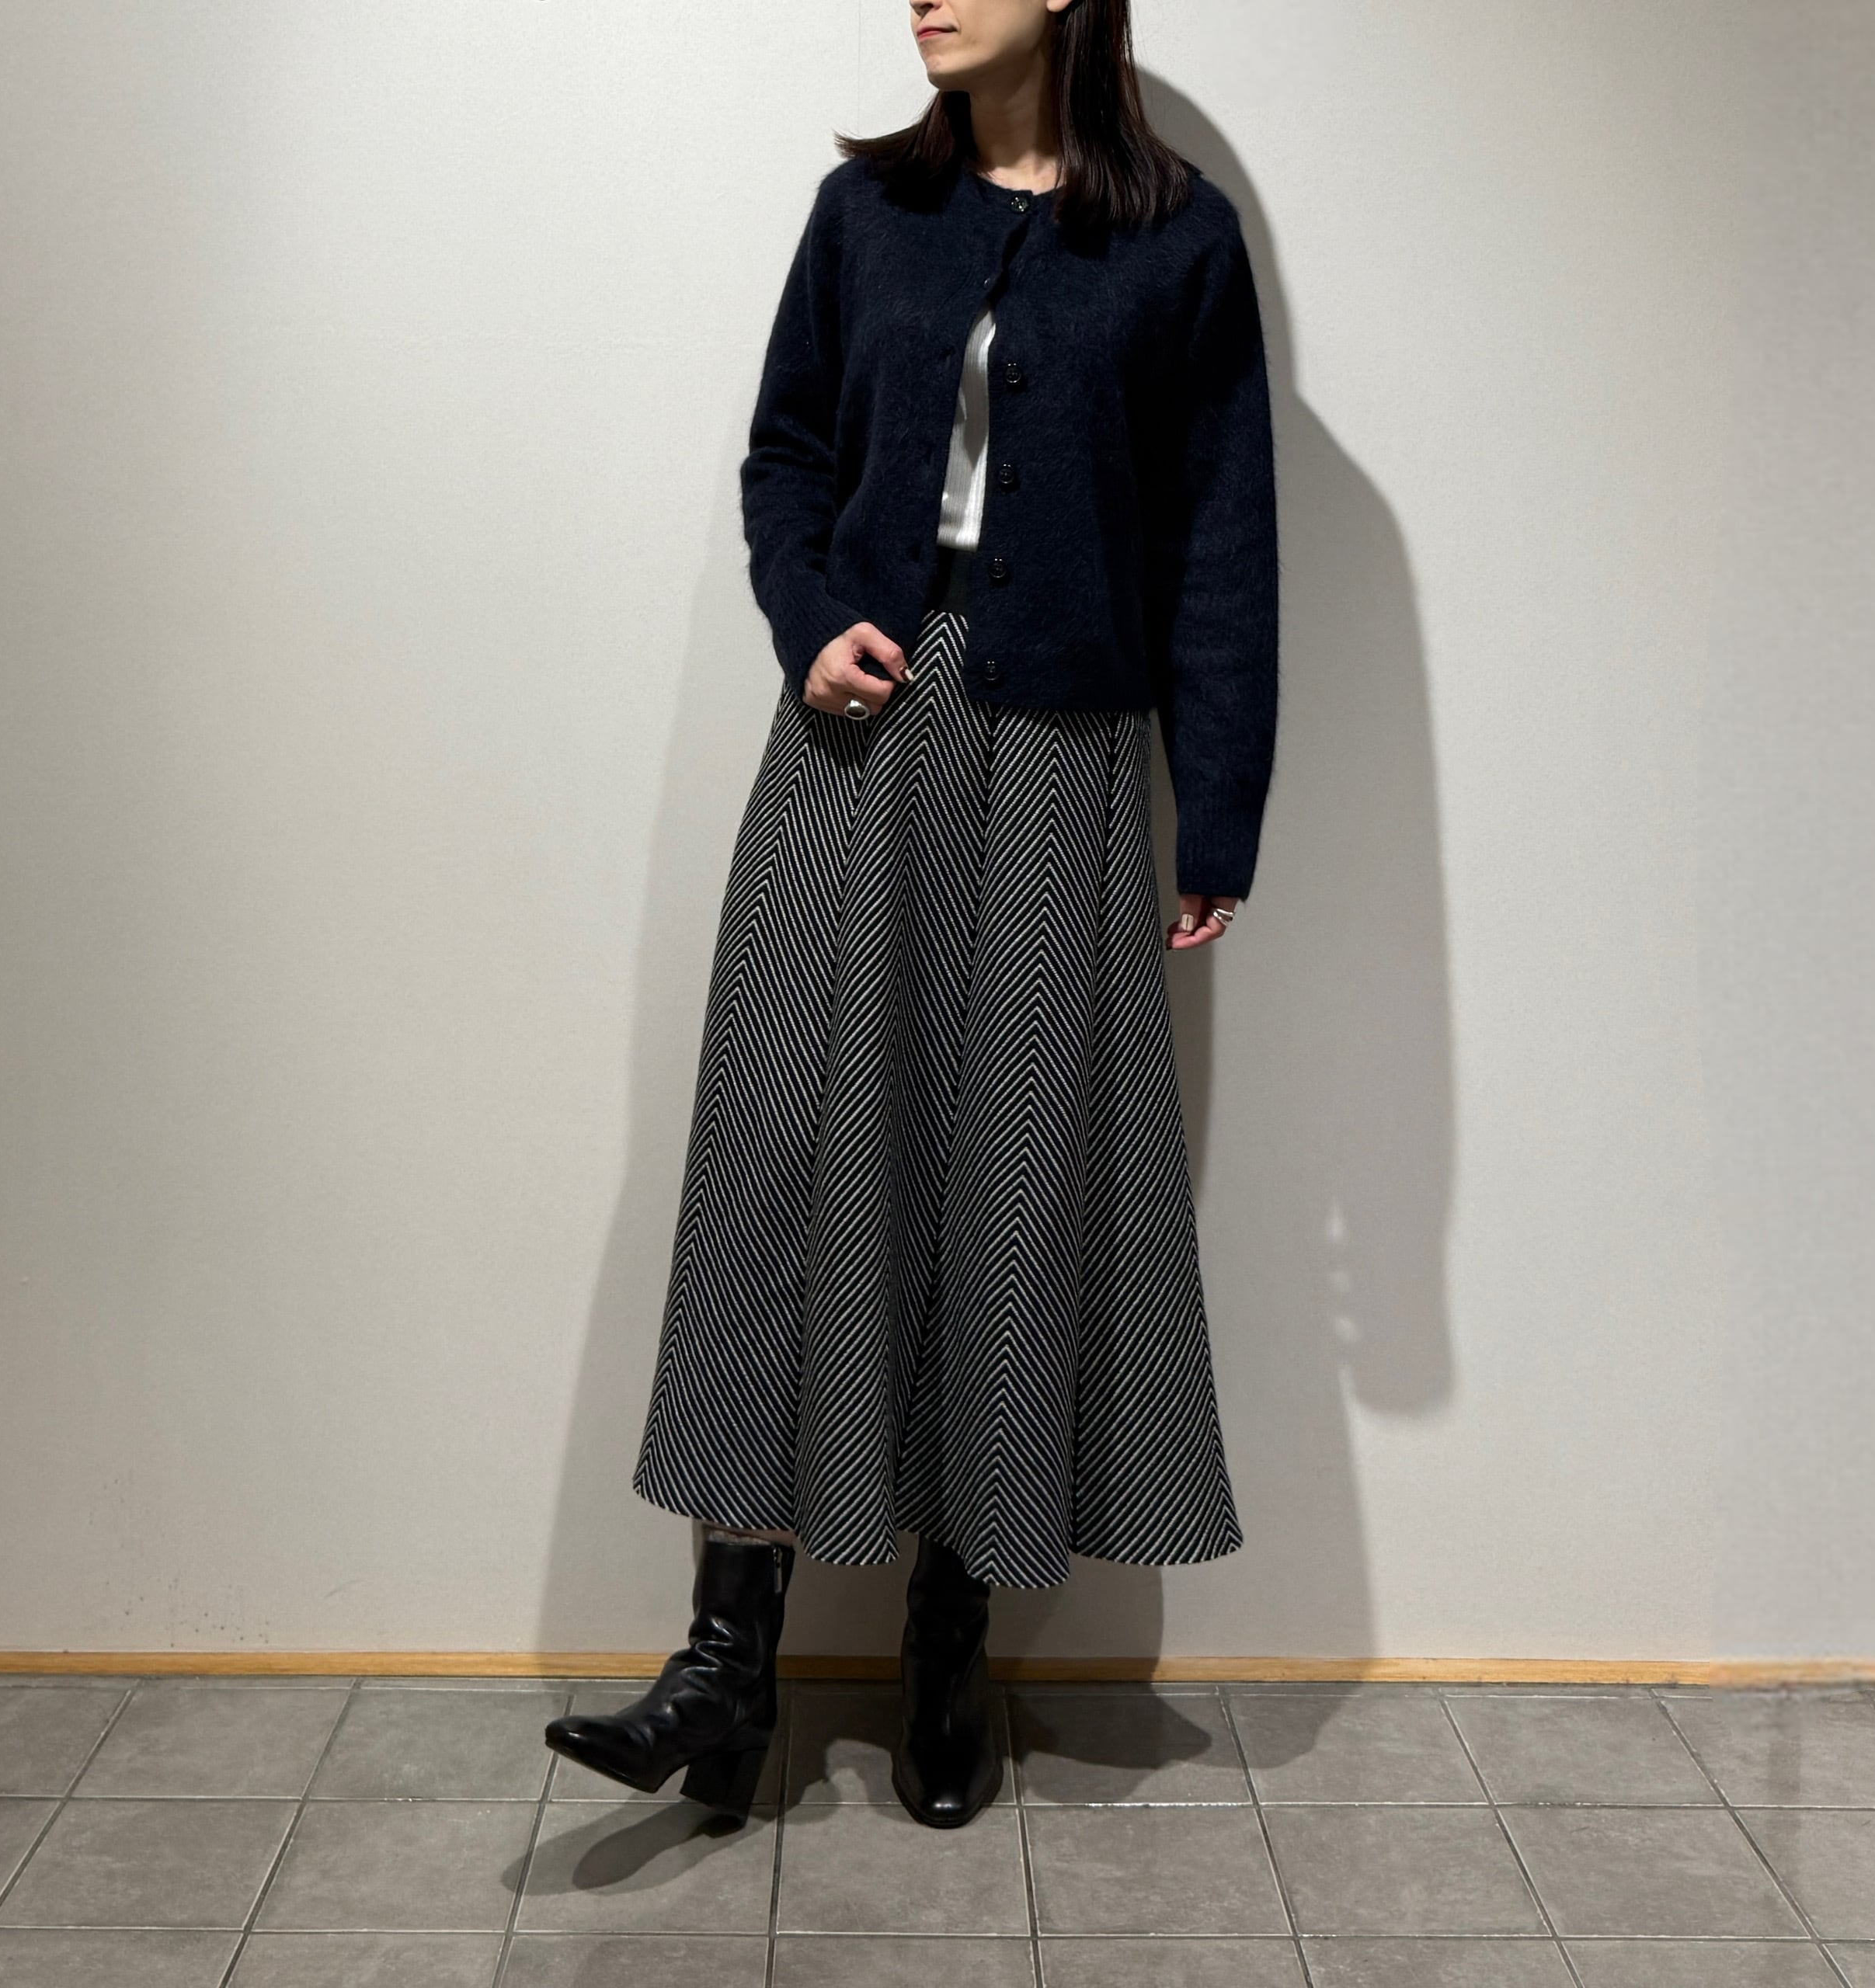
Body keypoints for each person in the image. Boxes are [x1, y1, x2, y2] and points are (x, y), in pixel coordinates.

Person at [545, 0, 1277, 1830]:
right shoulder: (862, 214)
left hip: (1064, 748)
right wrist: (810, 621)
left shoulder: (1176, 242)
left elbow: (1218, 536)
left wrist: (1217, 809)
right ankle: (727, 1655)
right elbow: (784, 455)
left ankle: (949, 1633)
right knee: (776, 1156)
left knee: (1006, 1177)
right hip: (853, 731)